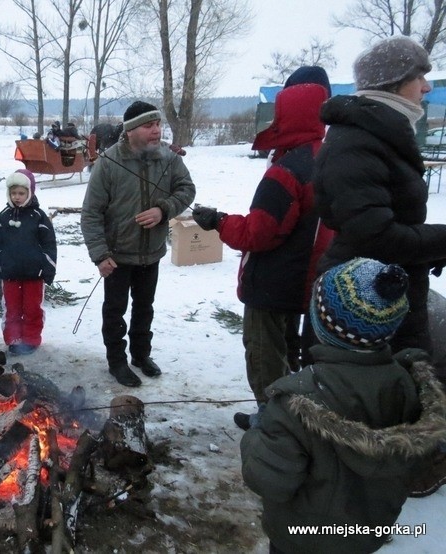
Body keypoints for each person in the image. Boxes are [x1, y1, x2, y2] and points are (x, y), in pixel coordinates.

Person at [313, 36, 446, 496]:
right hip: (363, 294)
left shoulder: (382, 133)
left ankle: (398, 466)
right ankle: (367, 482)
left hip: (390, 280)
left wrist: (425, 251)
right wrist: (438, 240)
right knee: (376, 389)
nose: (427, 88)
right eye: (419, 77)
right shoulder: (357, 141)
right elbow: (375, 233)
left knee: (405, 379)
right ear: (394, 83)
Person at [240, 257, 446, 554]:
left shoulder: (296, 402)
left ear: (323, 323)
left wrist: (259, 433)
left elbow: (269, 481)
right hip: (367, 532)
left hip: (301, 539)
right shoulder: (410, 385)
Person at [192, 66, 334, 431]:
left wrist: (219, 221)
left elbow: (258, 233)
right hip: (306, 281)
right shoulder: (327, 157)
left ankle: (275, 429)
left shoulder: (289, 169)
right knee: (289, 355)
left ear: (290, 109)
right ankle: (291, 419)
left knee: (265, 359)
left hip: (274, 285)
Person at [81, 100, 196, 387]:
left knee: (145, 308)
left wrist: (164, 209)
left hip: (152, 252)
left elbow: (187, 189)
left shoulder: (168, 159)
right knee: (115, 310)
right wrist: (100, 255)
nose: (156, 130)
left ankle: (141, 355)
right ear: (131, 130)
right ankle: (117, 362)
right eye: (149, 125)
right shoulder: (108, 163)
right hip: (117, 256)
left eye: (157, 124)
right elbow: (91, 214)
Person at [0, 169, 57, 355]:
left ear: (30, 193)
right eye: (13, 193)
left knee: (32, 308)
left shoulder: (39, 217)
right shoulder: (3, 217)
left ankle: (31, 338)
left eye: (21, 193)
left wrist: (48, 269)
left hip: (34, 274)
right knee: (12, 308)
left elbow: (49, 245)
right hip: (10, 273)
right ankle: (13, 338)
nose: (17, 197)